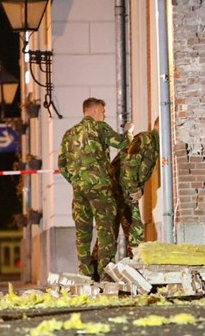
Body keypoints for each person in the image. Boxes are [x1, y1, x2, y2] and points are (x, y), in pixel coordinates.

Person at [58, 97, 133, 281]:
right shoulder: (99, 128)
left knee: (82, 232)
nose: (104, 115)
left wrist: (77, 180)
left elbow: (62, 165)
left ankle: (85, 273)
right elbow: (122, 143)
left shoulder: (69, 134)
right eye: (103, 111)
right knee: (105, 228)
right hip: (100, 188)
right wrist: (129, 132)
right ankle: (105, 271)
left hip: (79, 189)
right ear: (94, 111)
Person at [110, 119, 160, 257]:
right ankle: (96, 273)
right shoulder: (146, 139)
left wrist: (139, 190)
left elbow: (141, 173)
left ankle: (134, 267)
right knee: (114, 234)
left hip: (124, 191)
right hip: (118, 190)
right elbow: (129, 164)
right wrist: (134, 190)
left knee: (131, 233)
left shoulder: (155, 145)